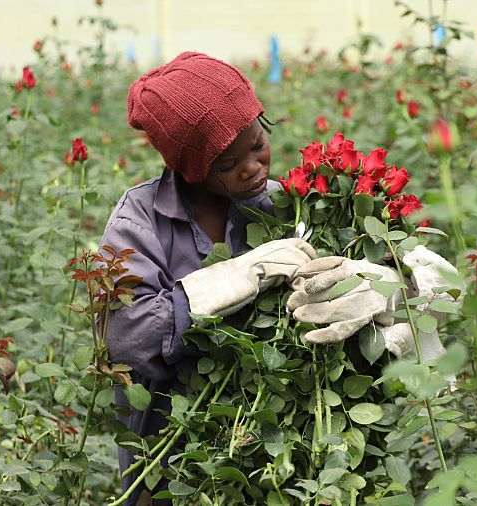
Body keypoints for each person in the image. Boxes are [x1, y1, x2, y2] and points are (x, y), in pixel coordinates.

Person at [100, 52, 316, 505]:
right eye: (228, 164)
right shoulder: (139, 220)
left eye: (258, 145)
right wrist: (224, 285)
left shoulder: (286, 208)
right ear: (192, 168)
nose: (253, 167)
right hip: (168, 454)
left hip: (268, 445)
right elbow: (126, 334)